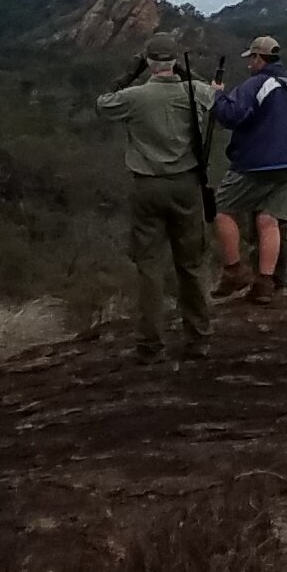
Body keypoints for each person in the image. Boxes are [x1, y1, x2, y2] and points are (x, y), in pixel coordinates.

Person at [84, 30, 218, 362]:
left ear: (148, 62)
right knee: (191, 264)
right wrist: (186, 73)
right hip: (186, 185)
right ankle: (199, 338)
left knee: (149, 267)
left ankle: (150, 344)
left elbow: (103, 101)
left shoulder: (133, 97)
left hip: (146, 186)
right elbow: (217, 95)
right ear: (174, 61)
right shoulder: (196, 92)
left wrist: (131, 72)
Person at [207, 32, 287, 301]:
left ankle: (234, 270)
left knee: (222, 209)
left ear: (258, 58)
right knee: (269, 220)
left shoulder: (256, 85)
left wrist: (217, 97)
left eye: (251, 59)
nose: (248, 64)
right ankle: (265, 284)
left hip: (255, 162)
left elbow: (232, 116)